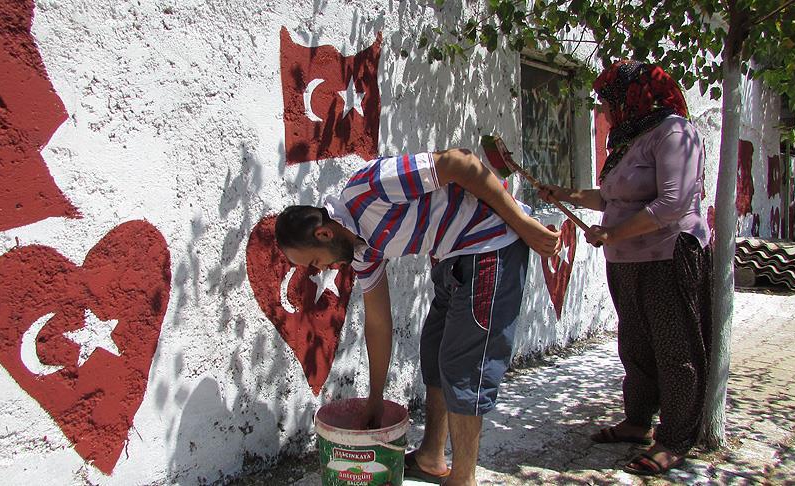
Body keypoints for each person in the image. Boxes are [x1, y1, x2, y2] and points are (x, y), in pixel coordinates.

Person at [275, 148, 561, 485]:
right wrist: (376, 399)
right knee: (434, 350)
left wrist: (525, 224)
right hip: (451, 256)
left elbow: (462, 163)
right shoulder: (362, 253)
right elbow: (378, 323)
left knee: (463, 365)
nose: (318, 271)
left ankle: (463, 478)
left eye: (313, 262)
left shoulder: (369, 189)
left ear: (323, 233)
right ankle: (431, 456)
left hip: (489, 245)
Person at [539, 60, 712, 476]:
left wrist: (613, 235)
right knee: (635, 344)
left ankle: (675, 438)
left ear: (635, 96)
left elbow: (672, 203)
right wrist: (566, 193)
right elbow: (612, 198)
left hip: (669, 257)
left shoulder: (674, 132)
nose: (607, 109)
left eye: (612, 100)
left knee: (675, 349)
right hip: (627, 262)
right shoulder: (631, 138)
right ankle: (637, 422)